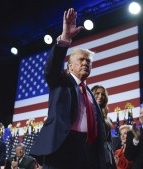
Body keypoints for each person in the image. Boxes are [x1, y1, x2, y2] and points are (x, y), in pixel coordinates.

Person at [29, 8, 115, 169]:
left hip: (88, 150)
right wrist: (65, 39)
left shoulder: (89, 93)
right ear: (69, 66)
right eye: (81, 60)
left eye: (88, 62)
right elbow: (51, 68)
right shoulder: (61, 81)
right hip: (62, 147)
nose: (85, 63)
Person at [91, 85, 121, 152]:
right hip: (90, 152)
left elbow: (109, 140)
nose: (100, 96)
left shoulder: (108, 119)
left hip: (105, 153)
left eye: (103, 94)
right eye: (97, 93)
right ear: (91, 94)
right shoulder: (87, 114)